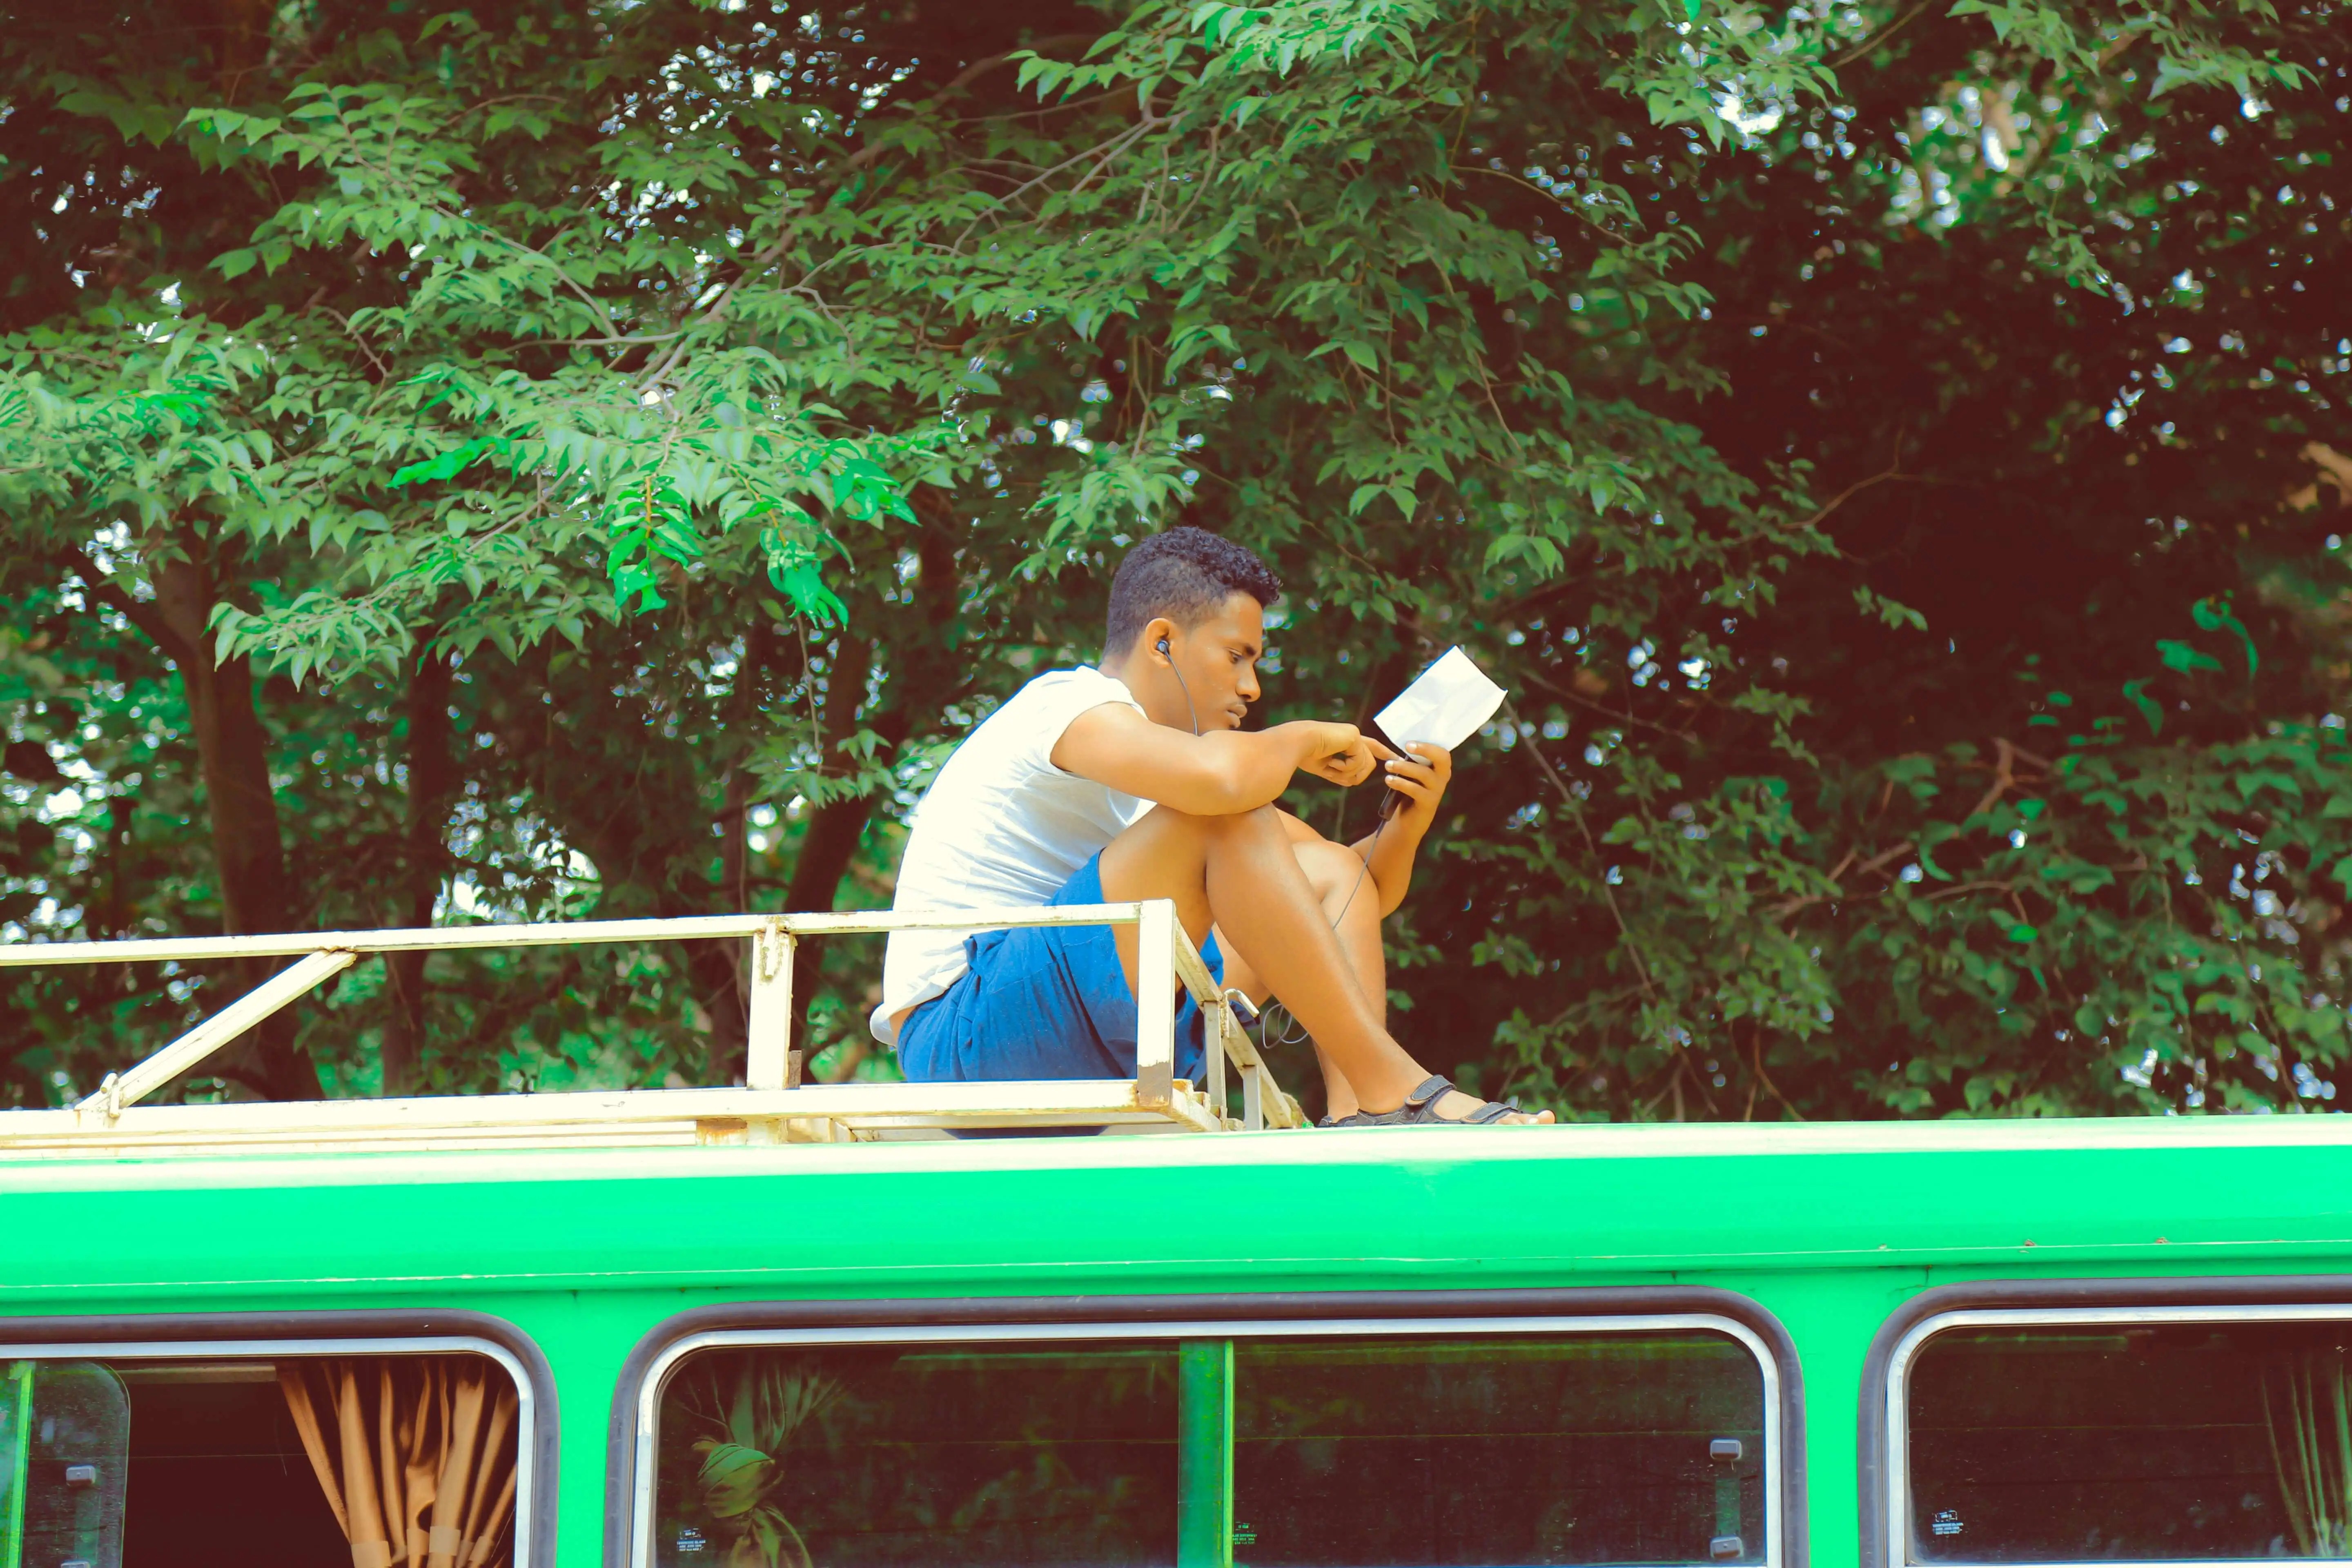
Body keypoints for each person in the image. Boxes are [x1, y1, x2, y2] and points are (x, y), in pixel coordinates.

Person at [870, 527, 1550, 1127]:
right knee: (1227, 814)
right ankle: (1396, 1088)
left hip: (1085, 1031)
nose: (1253, 688)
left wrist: (1409, 817)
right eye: (1238, 656)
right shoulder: (1069, 704)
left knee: (1326, 867)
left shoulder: (1171, 784)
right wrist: (1302, 739)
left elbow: (1344, 898)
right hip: (967, 1037)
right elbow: (1224, 783)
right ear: (1163, 642)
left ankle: (1361, 1112)